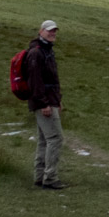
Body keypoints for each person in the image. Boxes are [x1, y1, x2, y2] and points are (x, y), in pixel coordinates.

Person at [22, 20, 66, 190]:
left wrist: (57, 100)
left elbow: (51, 80)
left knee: (44, 140)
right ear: (40, 31)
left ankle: (40, 177)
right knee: (55, 138)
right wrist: (44, 104)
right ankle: (50, 178)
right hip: (43, 102)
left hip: (49, 100)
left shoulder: (46, 50)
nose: (52, 33)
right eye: (49, 31)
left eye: (54, 31)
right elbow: (35, 81)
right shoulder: (37, 53)